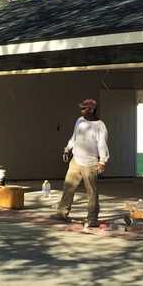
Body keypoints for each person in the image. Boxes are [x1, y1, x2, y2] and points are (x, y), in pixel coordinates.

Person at [53, 97, 109, 227]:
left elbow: (102, 144)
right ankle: (62, 213)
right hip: (76, 160)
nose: (82, 110)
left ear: (92, 110)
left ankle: (92, 219)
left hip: (90, 164)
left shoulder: (100, 126)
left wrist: (102, 161)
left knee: (92, 192)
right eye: (82, 108)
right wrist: (68, 148)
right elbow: (74, 137)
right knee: (68, 187)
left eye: (84, 108)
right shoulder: (79, 121)